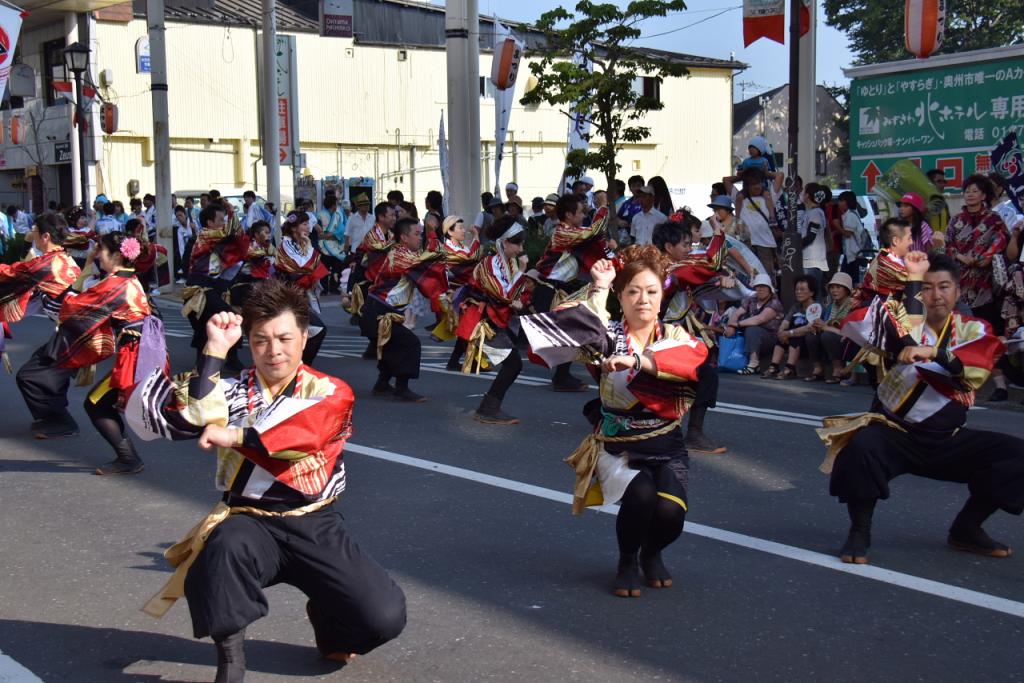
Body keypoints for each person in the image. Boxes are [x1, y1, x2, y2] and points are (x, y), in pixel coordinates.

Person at [125, 280, 406, 683]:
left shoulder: (329, 391)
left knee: (383, 616)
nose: (274, 350)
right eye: (261, 340)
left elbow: (303, 434)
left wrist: (236, 435)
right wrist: (215, 350)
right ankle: (231, 665)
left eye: (285, 338)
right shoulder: (237, 389)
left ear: (304, 337)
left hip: (314, 521)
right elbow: (193, 413)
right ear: (250, 342)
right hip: (250, 519)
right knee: (220, 551)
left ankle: (328, 625)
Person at [522, 246, 709, 597]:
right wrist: (600, 287)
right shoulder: (606, 337)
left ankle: (652, 552)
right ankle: (627, 560)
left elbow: (692, 361)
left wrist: (639, 363)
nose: (643, 300)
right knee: (640, 495)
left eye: (651, 291)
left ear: (662, 296)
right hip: (617, 444)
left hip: (665, 443)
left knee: (670, 513)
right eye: (633, 291)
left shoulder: (675, 337)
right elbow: (567, 328)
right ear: (620, 297)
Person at [820, 253, 1024, 565]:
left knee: (1016, 457)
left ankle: (966, 528)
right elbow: (856, 325)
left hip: (948, 440)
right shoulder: (898, 321)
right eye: (926, 288)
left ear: (957, 291)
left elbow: (974, 364)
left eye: (944, 286)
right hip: (895, 435)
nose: (936, 295)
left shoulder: (972, 328)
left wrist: (934, 352)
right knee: (861, 448)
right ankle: (859, 531)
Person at [59, 232, 162, 474]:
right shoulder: (130, 279)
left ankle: (129, 458)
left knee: (96, 403)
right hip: (144, 349)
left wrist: (81, 272)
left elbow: (72, 307)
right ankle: (128, 457)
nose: (97, 256)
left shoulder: (115, 283)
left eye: (100, 251)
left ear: (116, 255)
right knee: (105, 403)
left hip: (136, 354)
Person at [653, 219, 729, 455]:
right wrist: (718, 234)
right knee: (698, 374)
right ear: (668, 246)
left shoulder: (662, 265)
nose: (689, 248)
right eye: (685, 244)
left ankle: (685, 431)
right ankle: (690, 432)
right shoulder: (675, 268)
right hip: (665, 333)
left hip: (670, 330)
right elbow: (712, 261)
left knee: (699, 374)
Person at [3, 215, 81, 436]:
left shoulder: (48, 264)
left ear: (45, 236)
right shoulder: (61, 258)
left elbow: (10, 274)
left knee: (29, 375)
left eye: (36, 230)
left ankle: (61, 421)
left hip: (77, 333)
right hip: (73, 331)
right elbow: (36, 300)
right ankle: (56, 418)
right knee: (49, 375)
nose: (32, 234)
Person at [528, 193, 613, 392]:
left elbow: (595, 235)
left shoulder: (571, 232)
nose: (584, 215)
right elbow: (594, 231)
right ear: (568, 214)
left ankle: (562, 376)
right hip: (549, 290)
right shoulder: (562, 233)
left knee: (571, 332)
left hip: (558, 290)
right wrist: (602, 207)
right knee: (570, 331)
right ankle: (562, 376)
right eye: (581, 212)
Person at [359, 217, 448, 402]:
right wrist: (432, 233)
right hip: (378, 311)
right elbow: (434, 256)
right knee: (410, 343)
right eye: (417, 234)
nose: (420, 238)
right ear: (404, 237)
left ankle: (382, 384)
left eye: (421, 234)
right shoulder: (399, 254)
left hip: (383, 311)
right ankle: (402, 388)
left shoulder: (404, 253)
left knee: (392, 346)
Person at [457, 216, 529, 424]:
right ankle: (488, 408)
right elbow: (504, 295)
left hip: (496, 320)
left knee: (513, 364)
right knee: (514, 364)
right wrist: (523, 274)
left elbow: (516, 296)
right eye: (517, 243)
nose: (520, 249)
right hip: (483, 322)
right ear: (505, 242)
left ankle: (488, 407)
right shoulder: (489, 264)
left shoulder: (508, 263)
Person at [182, 202, 249, 371]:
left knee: (207, 325)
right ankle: (218, 362)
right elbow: (233, 233)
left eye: (225, 219)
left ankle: (215, 363)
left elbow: (238, 242)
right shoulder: (206, 234)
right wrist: (232, 211)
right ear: (209, 223)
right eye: (221, 219)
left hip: (212, 287)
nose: (224, 222)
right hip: (199, 288)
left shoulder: (218, 240)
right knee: (230, 318)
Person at [275, 211, 328, 365]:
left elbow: (313, 265)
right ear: (293, 228)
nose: (308, 227)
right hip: (288, 295)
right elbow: (304, 266)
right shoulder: (286, 244)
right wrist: (311, 248)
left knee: (305, 333)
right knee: (317, 330)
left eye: (308, 223)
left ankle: (299, 366)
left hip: (299, 294)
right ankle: (301, 366)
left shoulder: (302, 244)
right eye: (304, 224)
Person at [727, 168, 783, 283]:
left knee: (767, 276)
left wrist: (765, 174)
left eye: (759, 183)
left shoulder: (769, 196)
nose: (757, 186)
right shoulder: (739, 198)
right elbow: (726, 180)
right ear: (747, 185)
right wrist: (743, 176)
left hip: (765, 244)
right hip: (746, 243)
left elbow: (780, 175)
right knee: (748, 275)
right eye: (753, 184)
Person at [724, 273, 785, 376]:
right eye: (758, 286)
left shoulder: (774, 302)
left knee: (752, 328)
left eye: (763, 286)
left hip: (770, 339)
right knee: (741, 328)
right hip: (753, 338)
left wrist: (736, 324)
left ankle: (753, 364)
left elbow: (759, 319)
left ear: (769, 288)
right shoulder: (752, 299)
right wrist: (730, 326)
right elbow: (737, 313)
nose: (760, 289)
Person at [759, 275, 819, 380]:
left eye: (802, 289)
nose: (798, 292)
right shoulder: (796, 307)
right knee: (784, 333)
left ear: (812, 292)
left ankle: (790, 368)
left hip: (809, 344)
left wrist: (789, 333)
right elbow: (785, 322)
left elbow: (809, 328)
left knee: (795, 335)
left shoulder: (817, 307)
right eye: (797, 289)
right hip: (791, 341)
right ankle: (774, 366)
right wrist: (781, 331)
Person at [348, 202, 396, 332]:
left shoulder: (390, 235)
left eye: (394, 215)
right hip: (373, 278)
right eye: (391, 215)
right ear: (381, 217)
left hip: (384, 278)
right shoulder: (373, 235)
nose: (394, 218)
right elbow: (380, 249)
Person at [807, 272, 855, 384]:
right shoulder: (831, 306)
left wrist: (825, 327)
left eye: (838, 287)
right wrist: (817, 326)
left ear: (846, 290)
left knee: (827, 335)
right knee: (811, 335)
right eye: (832, 287)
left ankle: (839, 369)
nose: (834, 290)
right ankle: (818, 368)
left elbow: (849, 332)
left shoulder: (852, 305)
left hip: (847, 342)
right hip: (832, 339)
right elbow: (825, 323)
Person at [856, 217, 914, 306]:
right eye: (909, 238)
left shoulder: (885, 256)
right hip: (884, 313)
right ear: (895, 241)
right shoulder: (888, 263)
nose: (912, 242)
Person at [799, 184, 831, 297]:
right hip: (811, 258)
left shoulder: (816, 213)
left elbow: (811, 236)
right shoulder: (814, 212)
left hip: (812, 258)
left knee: (812, 293)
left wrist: (797, 247)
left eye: (804, 191)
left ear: (808, 195)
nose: (802, 194)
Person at [316, 195, 347, 295]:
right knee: (323, 267)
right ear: (333, 205)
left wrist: (330, 235)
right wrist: (329, 235)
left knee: (337, 267)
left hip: (336, 244)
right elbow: (317, 231)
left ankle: (334, 287)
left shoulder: (339, 214)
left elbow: (343, 229)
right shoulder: (320, 215)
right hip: (323, 245)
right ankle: (324, 288)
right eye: (336, 204)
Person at [835, 191, 868, 285]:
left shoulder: (850, 216)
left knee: (848, 280)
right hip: (852, 254)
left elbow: (848, 233)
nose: (839, 204)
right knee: (850, 279)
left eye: (840, 201)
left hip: (853, 254)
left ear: (846, 202)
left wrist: (837, 226)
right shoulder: (852, 214)